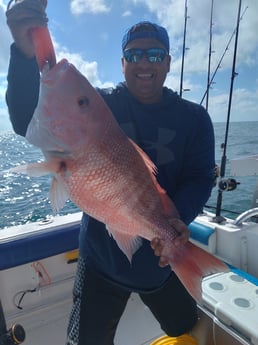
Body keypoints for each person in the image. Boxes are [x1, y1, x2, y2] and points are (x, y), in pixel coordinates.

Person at [5, 1, 215, 344]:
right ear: (121, 64)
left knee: (183, 325)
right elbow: (28, 115)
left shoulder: (195, 119)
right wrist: (25, 51)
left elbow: (201, 178)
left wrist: (177, 220)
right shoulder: (103, 104)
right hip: (100, 262)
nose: (143, 62)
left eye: (154, 54)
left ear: (167, 61)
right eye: (133, 56)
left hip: (158, 263)